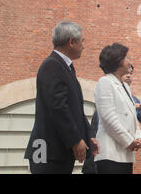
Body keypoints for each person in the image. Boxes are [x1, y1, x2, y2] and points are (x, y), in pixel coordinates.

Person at [24, 21, 99, 174]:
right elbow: (58, 107)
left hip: (59, 152)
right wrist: (75, 140)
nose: (84, 46)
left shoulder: (66, 67)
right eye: (82, 41)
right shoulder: (52, 65)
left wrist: (89, 138)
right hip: (47, 152)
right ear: (71, 42)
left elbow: (76, 110)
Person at [94, 43, 141, 174]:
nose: (130, 62)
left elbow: (133, 116)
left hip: (125, 154)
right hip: (111, 153)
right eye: (127, 58)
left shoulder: (125, 86)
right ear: (118, 60)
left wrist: (137, 137)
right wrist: (129, 141)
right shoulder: (105, 82)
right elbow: (109, 119)